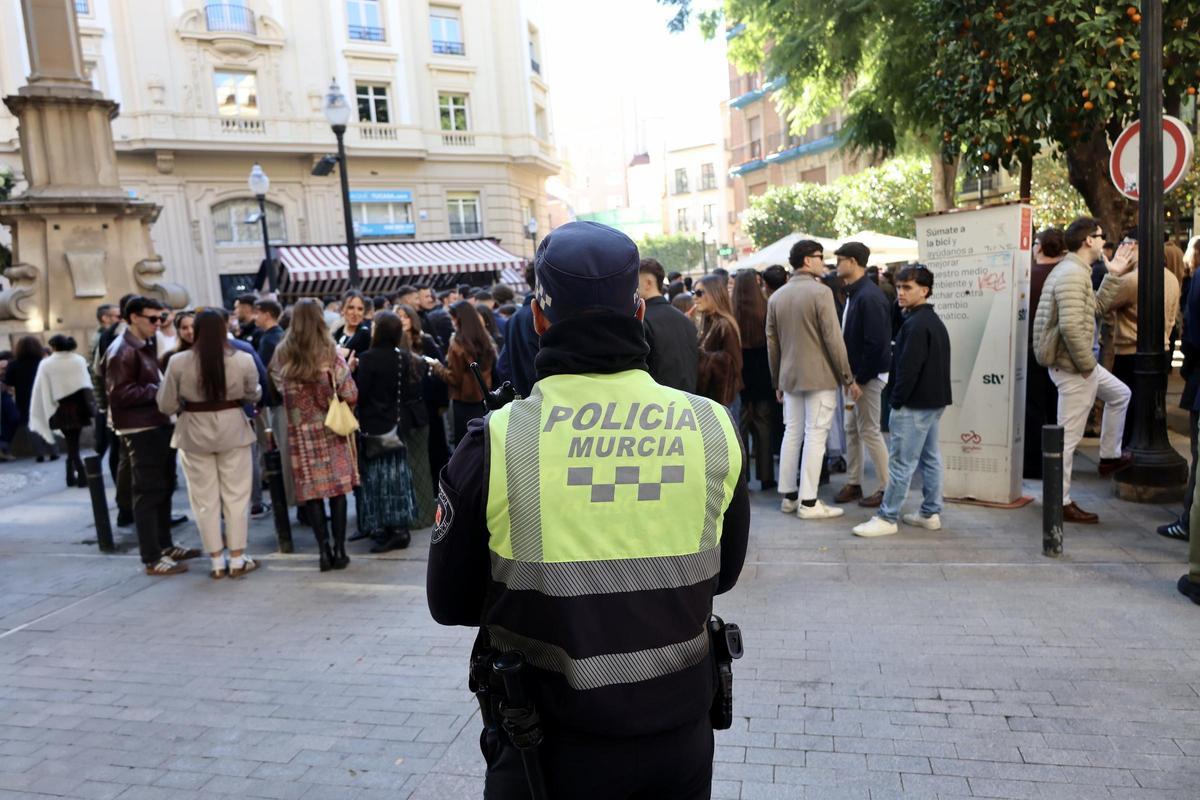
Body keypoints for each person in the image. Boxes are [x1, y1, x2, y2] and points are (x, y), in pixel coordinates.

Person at [427, 220, 749, 798]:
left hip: (543, 749)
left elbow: (450, 603)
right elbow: (722, 575)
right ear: (640, 313)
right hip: (677, 739)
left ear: (539, 317)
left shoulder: (498, 442)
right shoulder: (711, 426)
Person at [1032, 217, 1134, 524]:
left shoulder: (1076, 271)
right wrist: (1089, 368)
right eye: (1101, 236)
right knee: (1067, 440)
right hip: (1074, 366)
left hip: (1075, 364)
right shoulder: (1072, 275)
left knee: (1120, 394)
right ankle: (1059, 501)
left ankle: (1109, 457)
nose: (1105, 241)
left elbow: (1096, 309)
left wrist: (1113, 275)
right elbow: (1073, 329)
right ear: (1088, 240)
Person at [157, 309, 261, 579]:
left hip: (193, 430)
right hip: (233, 428)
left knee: (204, 499)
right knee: (237, 496)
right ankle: (237, 559)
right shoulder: (243, 359)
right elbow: (252, 394)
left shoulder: (178, 362)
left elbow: (165, 403)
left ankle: (216, 561)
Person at [853, 265, 952, 538]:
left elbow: (909, 369)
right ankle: (930, 512)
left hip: (915, 404)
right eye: (899, 287)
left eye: (907, 287)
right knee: (929, 458)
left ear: (925, 290)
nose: (901, 292)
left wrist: (896, 402)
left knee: (901, 463)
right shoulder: (927, 321)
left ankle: (888, 516)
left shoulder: (918, 324)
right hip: (931, 402)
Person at [107, 296, 200, 575]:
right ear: (133, 317)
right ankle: (152, 555)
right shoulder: (122, 349)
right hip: (141, 428)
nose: (158, 324)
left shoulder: (141, 344)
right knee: (148, 491)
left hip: (156, 422)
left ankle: (164, 544)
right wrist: (161, 390)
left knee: (163, 485)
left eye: (161, 319)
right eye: (152, 319)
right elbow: (119, 394)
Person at [767, 240, 859, 520]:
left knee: (792, 433)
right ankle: (808, 501)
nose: (823, 261)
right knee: (815, 436)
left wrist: (777, 381)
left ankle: (789, 496)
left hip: (789, 376)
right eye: (820, 257)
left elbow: (772, 344)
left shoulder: (776, 297)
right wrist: (847, 376)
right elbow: (833, 338)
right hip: (819, 376)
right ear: (808, 261)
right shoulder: (820, 293)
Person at [269, 298, 360, 571]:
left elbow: (277, 388)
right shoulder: (330, 352)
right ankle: (340, 551)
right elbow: (350, 393)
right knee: (338, 492)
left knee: (313, 493)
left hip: (300, 434)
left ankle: (323, 552)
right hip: (331, 429)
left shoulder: (282, 353)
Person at [1098, 233, 1180, 448]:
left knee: (1128, 412)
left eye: (1124, 244)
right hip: (1161, 351)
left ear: (1135, 247)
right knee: (1152, 411)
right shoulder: (1170, 277)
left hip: (1130, 354)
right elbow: (1171, 318)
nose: (1121, 249)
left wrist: (1115, 273)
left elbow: (1101, 305)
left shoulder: (1132, 280)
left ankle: (1125, 453)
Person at [832, 242, 892, 509]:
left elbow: (876, 344)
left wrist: (859, 379)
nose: (836, 264)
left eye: (840, 259)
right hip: (856, 377)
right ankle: (854, 482)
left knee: (869, 431)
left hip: (865, 377)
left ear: (854, 262)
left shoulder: (868, 296)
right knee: (853, 430)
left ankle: (887, 487)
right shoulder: (858, 293)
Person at [354, 311, 421, 552]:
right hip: (396, 427)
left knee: (378, 480)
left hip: (374, 429)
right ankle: (399, 528)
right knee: (398, 479)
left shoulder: (368, 358)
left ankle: (388, 529)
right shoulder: (403, 357)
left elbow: (361, 394)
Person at [1024, 229, 1066, 480]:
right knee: (1054, 407)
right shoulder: (1064, 276)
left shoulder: (1028, 278)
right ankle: (1054, 460)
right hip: (1060, 351)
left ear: (1038, 247)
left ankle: (1033, 463)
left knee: (1033, 408)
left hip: (1031, 349)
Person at [29, 335, 94, 486]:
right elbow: (86, 383)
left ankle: (75, 476)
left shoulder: (46, 364)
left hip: (60, 408)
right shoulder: (78, 360)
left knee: (72, 444)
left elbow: (41, 389)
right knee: (73, 443)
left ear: (54, 347)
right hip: (78, 408)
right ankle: (74, 475)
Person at [731, 270, 775, 490]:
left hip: (740, 378)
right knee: (764, 427)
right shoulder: (766, 308)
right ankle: (767, 477)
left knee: (741, 429)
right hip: (763, 375)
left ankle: (744, 478)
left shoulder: (731, 313)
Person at [395, 305, 437, 529]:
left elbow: (437, 375)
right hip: (410, 413)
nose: (403, 320)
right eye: (398, 316)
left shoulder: (424, 341)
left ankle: (424, 514)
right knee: (413, 466)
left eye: (405, 316)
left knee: (420, 465)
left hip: (421, 411)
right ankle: (418, 513)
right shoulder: (397, 348)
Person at [435, 300, 495, 445]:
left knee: (465, 445)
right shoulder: (485, 338)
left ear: (459, 318)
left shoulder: (457, 343)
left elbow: (454, 378)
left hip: (463, 401)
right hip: (485, 398)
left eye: (453, 317)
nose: (452, 321)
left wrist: (438, 367)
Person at [638, 258, 699, 393]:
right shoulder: (684, 320)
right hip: (689, 401)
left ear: (648, 283)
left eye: (634, 282)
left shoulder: (642, 321)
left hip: (658, 405)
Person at [4, 336, 57, 461]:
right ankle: (53, 450)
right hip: (44, 396)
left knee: (32, 426)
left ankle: (39, 453)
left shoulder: (14, 365)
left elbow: (9, 381)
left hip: (25, 399)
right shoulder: (44, 363)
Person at [694, 273, 743, 408]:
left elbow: (734, 364)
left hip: (725, 400)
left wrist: (701, 357)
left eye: (699, 293)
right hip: (710, 399)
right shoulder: (707, 321)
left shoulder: (724, 324)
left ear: (713, 294)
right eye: (694, 292)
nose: (695, 298)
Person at [498, 263, 540, 398]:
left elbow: (502, 366)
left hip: (524, 401)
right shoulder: (544, 315)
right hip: (548, 401)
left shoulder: (514, 319)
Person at [331, 290, 372, 360]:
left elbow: (370, 359)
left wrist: (349, 353)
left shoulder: (366, 334)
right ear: (342, 309)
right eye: (351, 307)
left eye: (360, 309)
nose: (355, 313)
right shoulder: (336, 333)